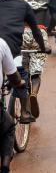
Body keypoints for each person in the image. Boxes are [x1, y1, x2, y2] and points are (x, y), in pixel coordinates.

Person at [0, 0, 47, 124]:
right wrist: (43, 48)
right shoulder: (23, 5)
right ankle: (25, 113)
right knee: (21, 75)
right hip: (13, 49)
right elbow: (36, 31)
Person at [19, 0, 56, 119]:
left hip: (19, 33)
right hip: (39, 33)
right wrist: (49, 30)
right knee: (36, 72)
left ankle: (22, 102)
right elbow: (55, 16)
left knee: (22, 70)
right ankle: (33, 93)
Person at [0, 34, 26, 172]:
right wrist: (20, 82)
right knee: (9, 126)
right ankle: (4, 168)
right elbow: (14, 76)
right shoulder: (1, 44)